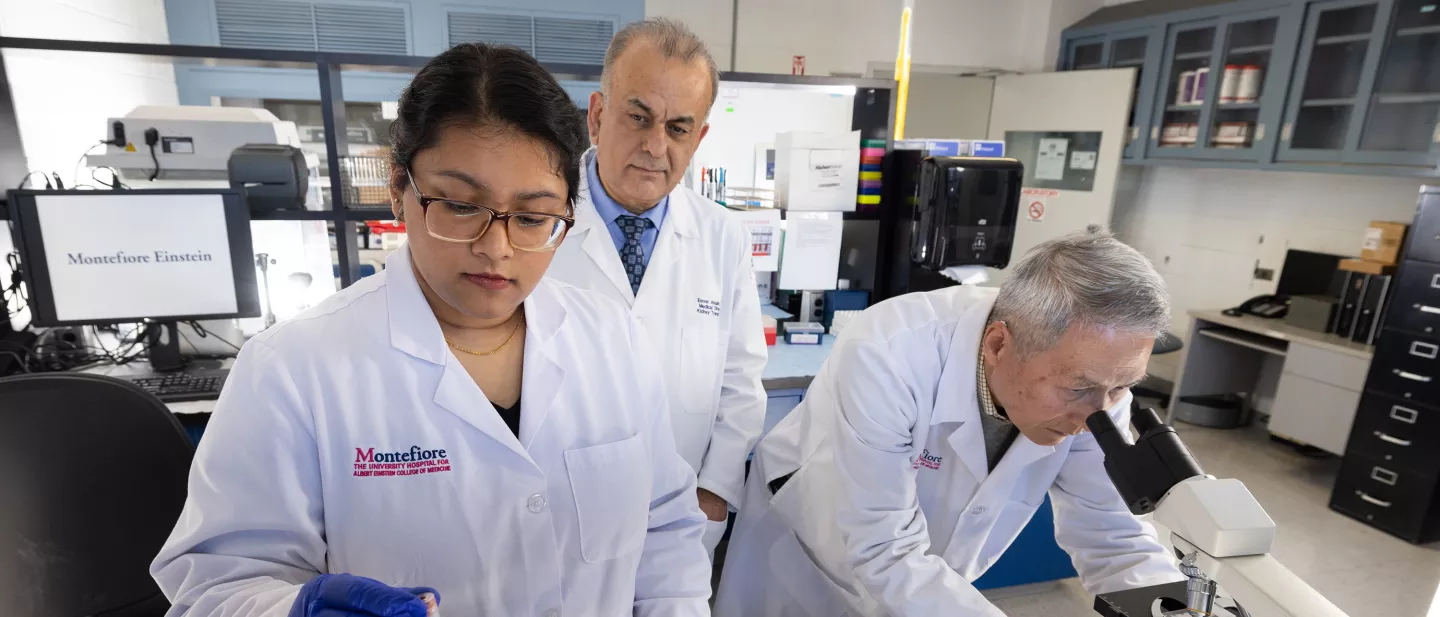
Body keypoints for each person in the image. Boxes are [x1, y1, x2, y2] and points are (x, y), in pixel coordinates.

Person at [151, 43, 711, 617]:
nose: (496, 248)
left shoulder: (611, 339)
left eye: (532, 217)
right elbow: (215, 586)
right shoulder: (293, 369)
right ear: (400, 188)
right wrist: (291, 610)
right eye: (460, 205)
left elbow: (664, 529)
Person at [714, 231, 1186, 617]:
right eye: (1077, 388)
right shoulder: (889, 353)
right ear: (999, 345)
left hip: (929, 581)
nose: (1097, 415)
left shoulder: (1097, 381)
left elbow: (1111, 531)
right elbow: (886, 551)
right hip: (806, 556)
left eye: (1122, 387)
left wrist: (1165, 607)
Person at [546, 17, 766, 554]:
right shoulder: (535, 219)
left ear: (700, 138)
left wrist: (713, 494)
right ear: (597, 117)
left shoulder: (722, 236)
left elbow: (741, 381)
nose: (654, 145)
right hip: (557, 517)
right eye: (638, 117)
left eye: (677, 128)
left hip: (681, 520)